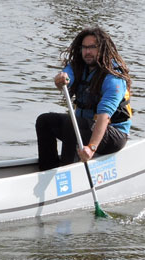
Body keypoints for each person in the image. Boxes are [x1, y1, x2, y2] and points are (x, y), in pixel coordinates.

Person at [36, 25, 133, 171]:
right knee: (44, 121)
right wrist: (61, 79)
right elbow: (67, 75)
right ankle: (47, 169)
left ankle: (66, 172)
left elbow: (104, 116)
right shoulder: (78, 66)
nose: (87, 52)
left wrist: (91, 148)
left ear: (102, 49)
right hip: (83, 128)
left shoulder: (113, 78)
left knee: (72, 124)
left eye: (92, 47)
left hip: (113, 134)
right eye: (84, 47)